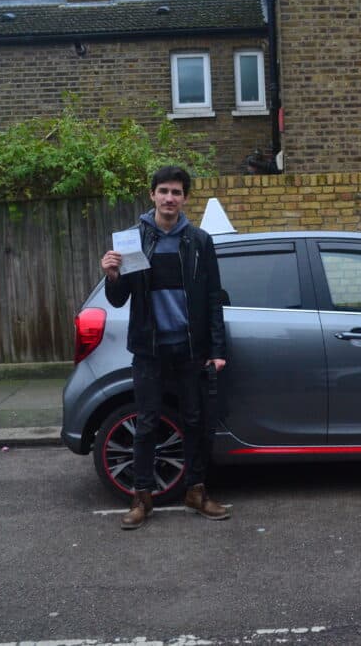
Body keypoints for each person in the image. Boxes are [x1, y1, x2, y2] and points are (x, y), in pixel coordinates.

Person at [100, 165, 229, 530]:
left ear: (185, 198)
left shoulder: (200, 241)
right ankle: (142, 498)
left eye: (176, 192)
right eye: (163, 191)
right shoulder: (133, 240)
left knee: (195, 422)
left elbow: (212, 299)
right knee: (147, 424)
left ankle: (196, 491)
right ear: (152, 195)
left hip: (191, 350)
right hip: (149, 350)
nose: (169, 198)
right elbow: (119, 297)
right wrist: (111, 276)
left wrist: (216, 348)